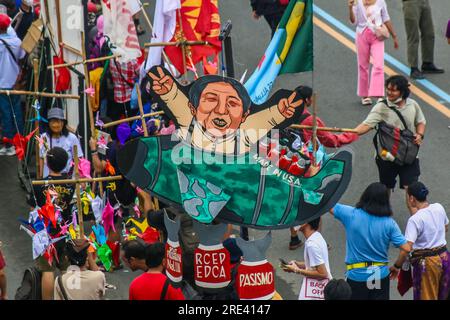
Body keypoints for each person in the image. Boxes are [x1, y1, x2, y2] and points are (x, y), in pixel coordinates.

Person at [147, 66, 304, 154]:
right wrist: (169, 91)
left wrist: (279, 112)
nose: (221, 110)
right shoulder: (190, 123)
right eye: (211, 99)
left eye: (232, 103)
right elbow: (177, 101)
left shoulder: (244, 134)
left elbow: (262, 119)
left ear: (244, 115)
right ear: (192, 108)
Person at [287, 85, 359, 250]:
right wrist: (353, 134)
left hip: (288, 163)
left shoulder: (284, 117)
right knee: (315, 203)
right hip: (309, 166)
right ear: (307, 100)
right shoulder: (310, 120)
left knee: (294, 200)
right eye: (310, 98)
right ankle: (316, 241)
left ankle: (293, 238)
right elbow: (331, 140)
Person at [329, 182, 410, 300]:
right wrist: (397, 266)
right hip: (379, 274)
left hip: (357, 275)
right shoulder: (389, 223)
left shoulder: (351, 214)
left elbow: (328, 205)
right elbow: (406, 249)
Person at [353, 75, 426, 193]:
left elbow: (421, 121)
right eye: (388, 89)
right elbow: (366, 125)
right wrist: (349, 133)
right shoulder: (381, 107)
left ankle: (415, 212)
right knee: (386, 187)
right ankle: (385, 211)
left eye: (394, 90)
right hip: (386, 156)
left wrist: (420, 134)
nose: (389, 92)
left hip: (409, 155)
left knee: (411, 188)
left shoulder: (413, 105)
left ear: (402, 91)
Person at [390, 182, 450, 300]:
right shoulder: (439, 207)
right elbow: (446, 227)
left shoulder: (415, 220)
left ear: (412, 198)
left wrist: (397, 266)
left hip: (427, 264)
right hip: (445, 258)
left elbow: (406, 249)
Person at [348, 0, 398, 106]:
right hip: (362, 35)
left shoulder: (380, 2)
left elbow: (386, 18)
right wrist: (350, 8)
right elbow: (354, 22)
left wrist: (394, 36)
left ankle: (378, 95)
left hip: (377, 36)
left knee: (379, 65)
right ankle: (365, 95)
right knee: (362, 65)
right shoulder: (357, 2)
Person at [281, 217, 332, 300]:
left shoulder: (312, 245)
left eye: (299, 219)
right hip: (317, 291)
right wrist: (297, 264)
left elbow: (323, 273)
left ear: (305, 223)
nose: (295, 222)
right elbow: (316, 264)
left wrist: (296, 270)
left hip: (315, 294)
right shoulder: (316, 236)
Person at [0, 12, 25, 156]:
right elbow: (22, 57)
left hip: (2, 83)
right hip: (15, 83)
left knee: (6, 114)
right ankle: (19, 142)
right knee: (17, 112)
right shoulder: (17, 41)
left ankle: (9, 144)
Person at [402, 0, 444, 79]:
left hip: (424, 1)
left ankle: (427, 63)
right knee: (413, 36)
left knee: (429, 33)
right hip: (410, 3)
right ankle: (413, 68)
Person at [38, 108, 84, 178]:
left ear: (63, 123)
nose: (55, 125)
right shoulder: (44, 138)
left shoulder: (72, 138)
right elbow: (41, 158)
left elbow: (78, 158)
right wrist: (41, 177)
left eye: (58, 122)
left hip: (68, 177)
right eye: (53, 122)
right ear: (49, 123)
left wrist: (79, 177)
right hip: (48, 178)